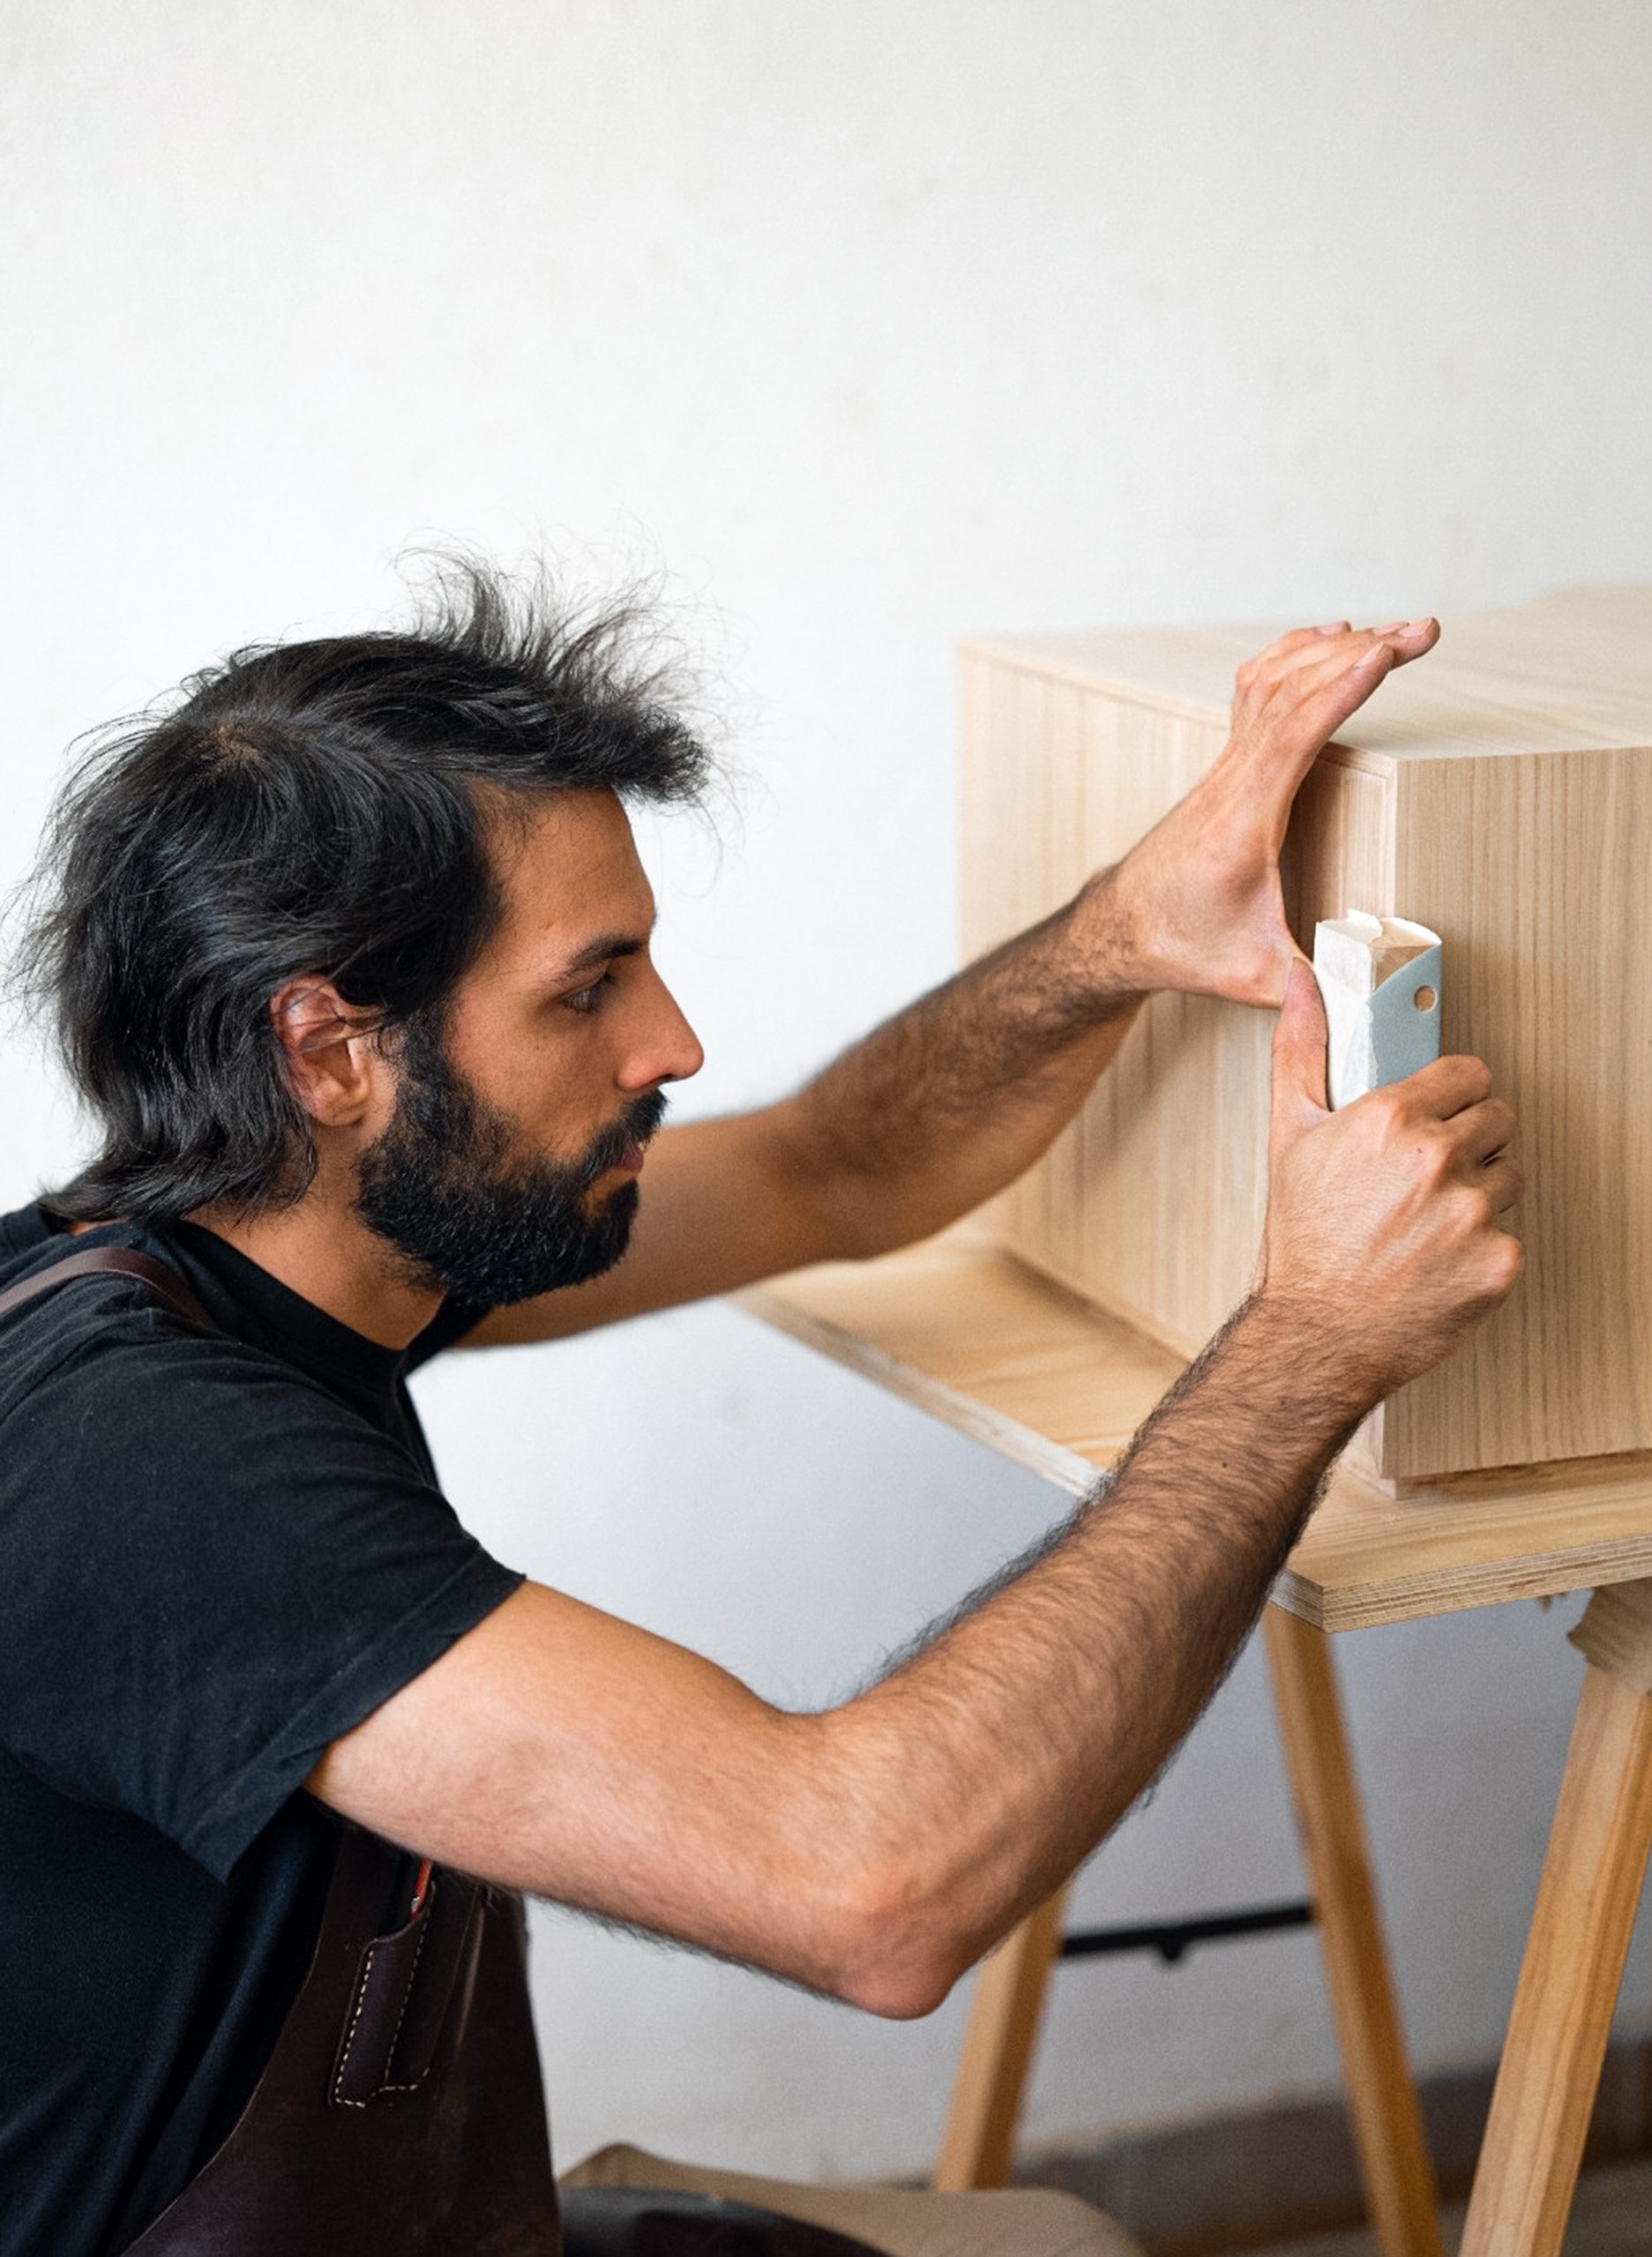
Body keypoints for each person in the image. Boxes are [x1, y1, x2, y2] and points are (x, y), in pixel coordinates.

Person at [0, 565, 1521, 2257]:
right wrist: (1309, 1343)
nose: (674, 1040)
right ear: (332, 1050)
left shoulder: (272, 1240)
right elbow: (870, 1884)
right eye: (587, 989)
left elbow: (836, 1167)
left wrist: (1125, 933)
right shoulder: (140, 1474)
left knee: (1048, 2243)